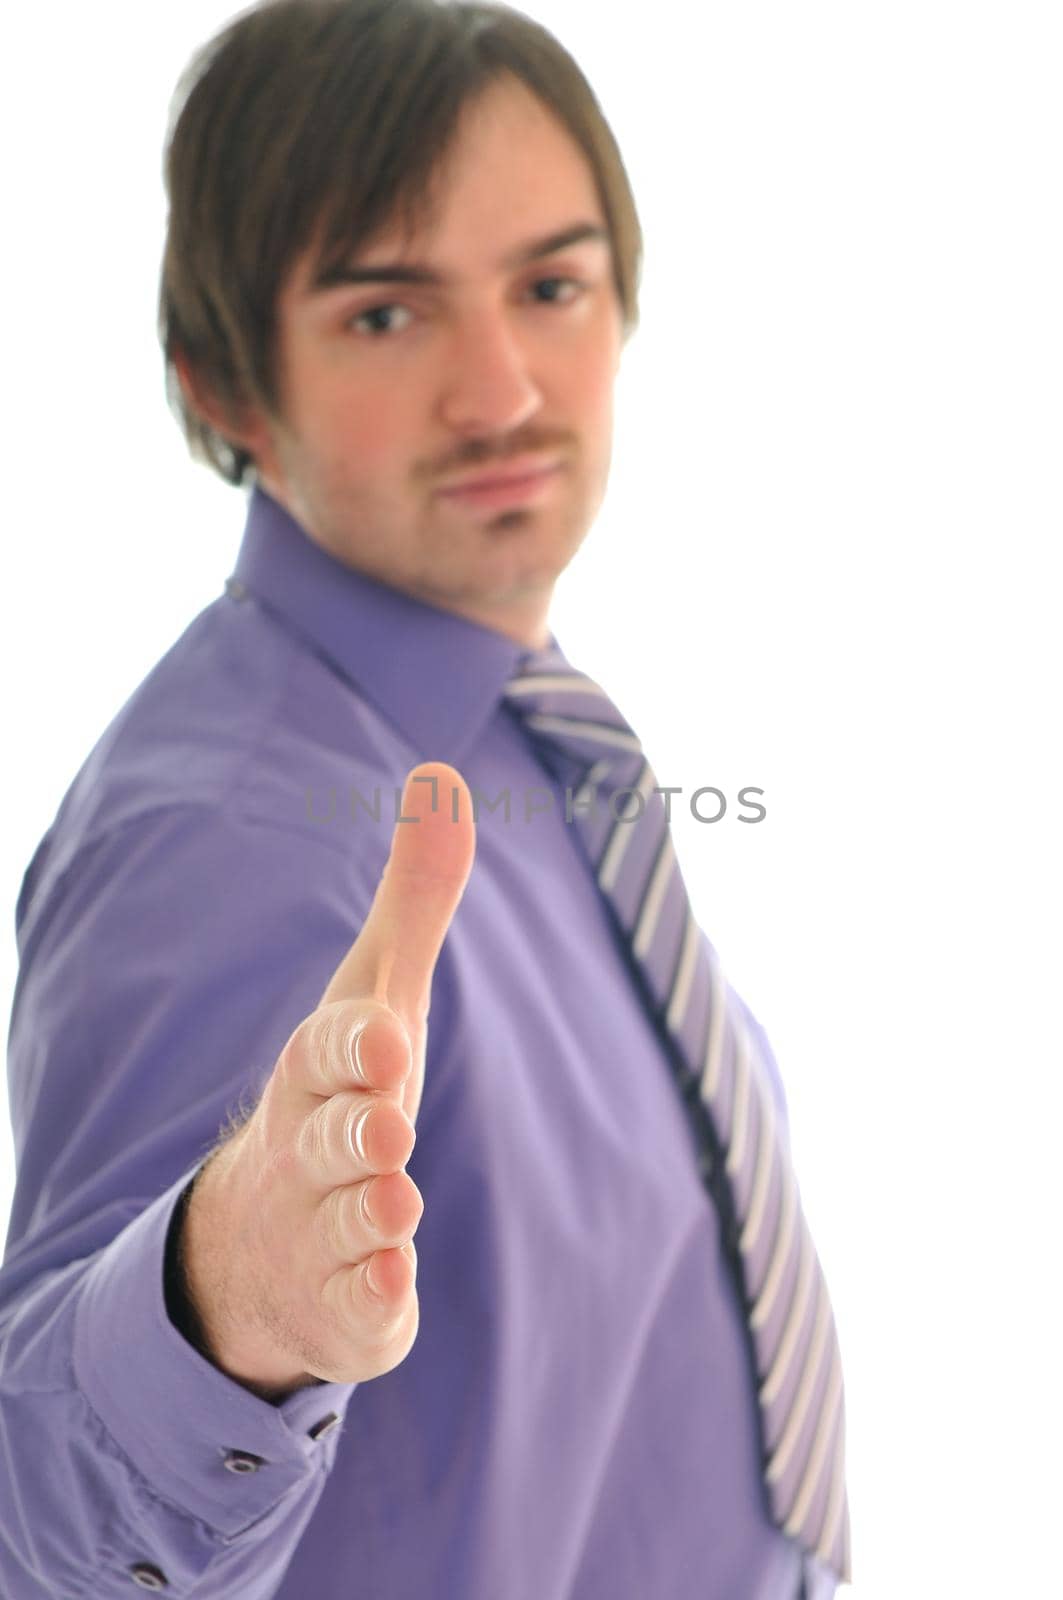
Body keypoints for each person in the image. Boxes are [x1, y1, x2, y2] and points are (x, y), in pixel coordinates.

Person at [0, 2, 850, 1596]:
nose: (505, 390)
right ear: (227, 388)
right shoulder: (227, 836)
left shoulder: (515, 736)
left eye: (551, 285)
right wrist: (216, 1314)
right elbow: (29, 1517)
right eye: (388, 315)